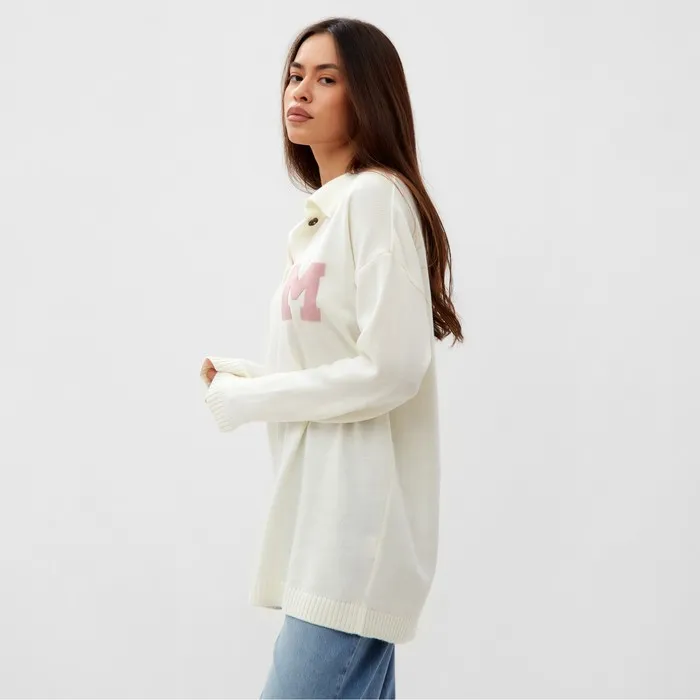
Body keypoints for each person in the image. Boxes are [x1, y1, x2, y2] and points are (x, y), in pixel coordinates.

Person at [200, 16, 463, 699]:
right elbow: (345, 365)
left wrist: (252, 401)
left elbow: (392, 369)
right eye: (295, 76)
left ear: (367, 96)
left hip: (353, 541)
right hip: (322, 530)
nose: (300, 91)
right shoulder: (328, 215)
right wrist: (250, 379)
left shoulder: (376, 199)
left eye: (326, 79)